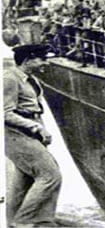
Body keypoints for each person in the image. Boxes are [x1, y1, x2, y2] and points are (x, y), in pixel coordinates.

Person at [5, 44, 62, 227]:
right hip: (15, 134)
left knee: (24, 180)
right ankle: (28, 222)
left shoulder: (30, 79)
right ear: (28, 60)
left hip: (29, 132)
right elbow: (5, 113)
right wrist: (36, 128)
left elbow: (34, 109)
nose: (45, 63)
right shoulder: (10, 79)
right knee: (50, 175)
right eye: (42, 59)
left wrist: (41, 130)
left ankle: (13, 222)